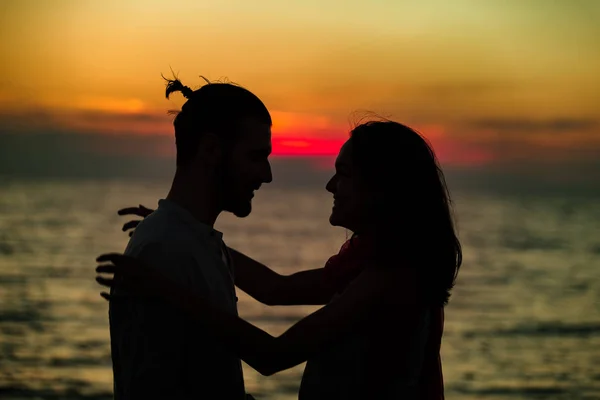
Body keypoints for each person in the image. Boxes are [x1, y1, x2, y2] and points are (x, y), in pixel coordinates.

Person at [97, 119, 462, 399]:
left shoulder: (390, 280)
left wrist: (166, 288)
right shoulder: (374, 269)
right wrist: (188, 232)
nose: (330, 186)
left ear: (382, 190)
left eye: (344, 174)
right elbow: (275, 289)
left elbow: (272, 355)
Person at [107, 75, 274, 400]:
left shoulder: (204, 247)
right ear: (211, 150)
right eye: (256, 157)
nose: (266, 175)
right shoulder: (163, 250)